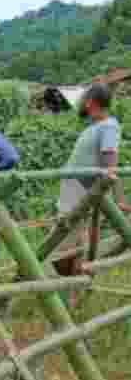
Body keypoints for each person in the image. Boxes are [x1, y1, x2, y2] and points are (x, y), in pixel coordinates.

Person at [54, 83, 126, 289]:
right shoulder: (94, 126)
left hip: (82, 192)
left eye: (84, 99)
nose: (81, 104)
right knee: (73, 241)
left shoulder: (108, 126)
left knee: (68, 245)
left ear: (91, 102)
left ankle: (76, 285)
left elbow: (110, 165)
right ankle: (76, 287)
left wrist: (118, 198)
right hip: (75, 190)